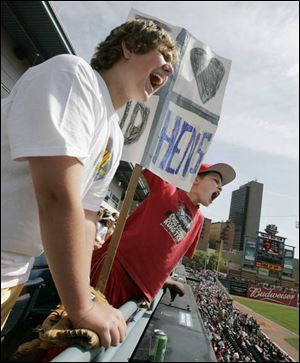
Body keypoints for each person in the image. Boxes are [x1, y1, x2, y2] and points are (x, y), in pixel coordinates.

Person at [1, 19, 179, 348]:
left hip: (14, 269)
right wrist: (80, 305)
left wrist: (86, 293)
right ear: (129, 47)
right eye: (163, 55)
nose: (168, 70)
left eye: (172, 67)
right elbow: (56, 194)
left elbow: (86, 217)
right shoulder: (73, 75)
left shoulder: (115, 134)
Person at [90, 163, 236, 308]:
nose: (220, 188)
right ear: (196, 179)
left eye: (221, 186)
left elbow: (167, 255)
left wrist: (164, 280)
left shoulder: (199, 220)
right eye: (215, 181)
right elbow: (151, 157)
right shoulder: (167, 188)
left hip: (140, 293)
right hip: (114, 270)